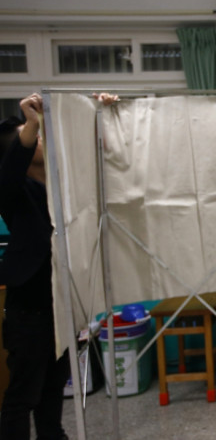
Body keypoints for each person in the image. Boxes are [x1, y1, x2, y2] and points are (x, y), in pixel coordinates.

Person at [0, 92, 118, 439]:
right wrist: (31, 120)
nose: (38, 139)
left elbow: (98, 158)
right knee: (23, 396)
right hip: (30, 312)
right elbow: (9, 173)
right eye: (31, 136)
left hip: (62, 309)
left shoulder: (61, 185)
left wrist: (100, 113)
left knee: (52, 395)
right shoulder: (13, 190)